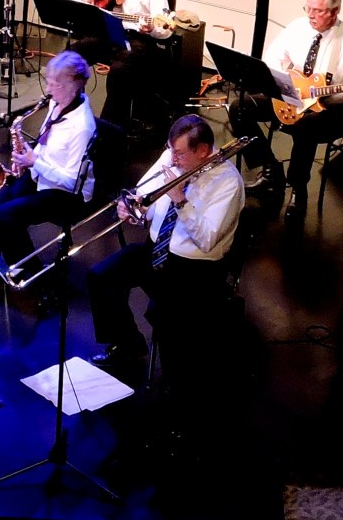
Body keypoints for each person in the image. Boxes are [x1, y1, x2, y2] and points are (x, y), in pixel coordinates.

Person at [86, 113, 244, 360]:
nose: (172, 159)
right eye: (170, 150)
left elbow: (206, 241)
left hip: (195, 270)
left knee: (161, 313)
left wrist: (180, 200)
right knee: (101, 277)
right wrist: (133, 208)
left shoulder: (228, 183)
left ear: (203, 150)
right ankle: (128, 345)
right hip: (157, 251)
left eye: (179, 153)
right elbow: (143, 196)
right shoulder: (172, 158)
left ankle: (178, 375)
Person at [234, 0, 343, 220]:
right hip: (294, 96)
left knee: (306, 127)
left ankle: (298, 188)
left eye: (318, 11)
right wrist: (287, 79)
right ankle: (271, 169)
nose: (310, 15)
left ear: (335, 12)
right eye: (308, 8)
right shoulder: (297, 27)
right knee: (239, 107)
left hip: (333, 108)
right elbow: (272, 58)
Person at [0, 51, 97, 301]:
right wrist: (27, 156)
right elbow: (47, 143)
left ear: (72, 86)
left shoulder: (82, 126)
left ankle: (36, 277)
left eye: (53, 84)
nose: (47, 89)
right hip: (40, 174)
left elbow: (72, 181)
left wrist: (35, 162)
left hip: (65, 194)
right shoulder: (56, 104)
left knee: (6, 215)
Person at [74, 0, 173, 132]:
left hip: (137, 38)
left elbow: (164, 29)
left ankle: (108, 130)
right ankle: (71, 112)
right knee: (72, 57)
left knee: (119, 73)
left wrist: (152, 28)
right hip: (109, 30)